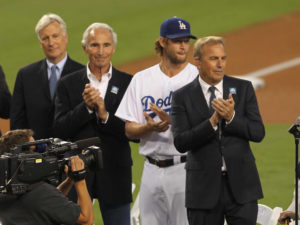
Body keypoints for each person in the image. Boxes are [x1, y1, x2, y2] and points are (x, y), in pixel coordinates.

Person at [171, 36, 265, 225]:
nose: (220, 64)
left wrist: (231, 117)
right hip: (202, 191)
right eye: (213, 58)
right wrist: (212, 121)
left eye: (223, 58)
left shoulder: (243, 88)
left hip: (242, 188)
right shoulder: (182, 96)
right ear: (197, 61)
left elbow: (257, 132)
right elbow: (181, 142)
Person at [115, 17, 198, 225]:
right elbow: (129, 130)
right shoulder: (141, 80)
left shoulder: (197, 77)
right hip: (151, 171)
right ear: (163, 42)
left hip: (186, 169)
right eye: (177, 40)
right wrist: (147, 127)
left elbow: (208, 126)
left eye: (186, 40)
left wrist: (173, 121)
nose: (183, 45)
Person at [53, 22, 132, 225]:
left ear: (113, 48)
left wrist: (104, 114)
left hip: (115, 173)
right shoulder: (67, 83)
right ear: (84, 48)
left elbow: (134, 134)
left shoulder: (128, 83)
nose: (101, 51)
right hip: (78, 174)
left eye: (106, 45)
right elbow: (59, 130)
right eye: (95, 45)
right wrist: (86, 108)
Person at [10, 13, 84, 140]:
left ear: (65, 38)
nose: (51, 43)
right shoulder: (25, 75)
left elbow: (87, 121)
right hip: (36, 153)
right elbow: (17, 123)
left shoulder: (83, 73)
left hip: (72, 154)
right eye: (45, 38)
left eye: (55, 36)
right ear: (40, 43)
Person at [0, 129, 94, 225]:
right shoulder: (41, 192)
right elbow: (86, 220)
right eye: (35, 150)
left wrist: (69, 181)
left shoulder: (6, 188)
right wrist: (80, 179)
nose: (40, 153)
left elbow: (48, 202)